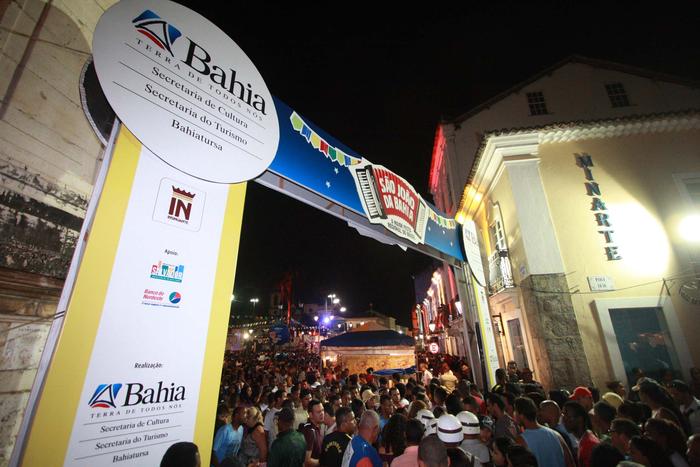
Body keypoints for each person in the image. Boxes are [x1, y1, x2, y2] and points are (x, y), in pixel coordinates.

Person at [513, 397, 573, 467]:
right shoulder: (556, 434)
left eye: (515, 411)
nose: (513, 414)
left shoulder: (521, 440)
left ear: (521, 415)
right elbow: (570, 462)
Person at [562, 401, 600, 467]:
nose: (563, 419)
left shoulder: (589, 444)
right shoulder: (584, 439)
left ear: (580, 419)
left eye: (567, 415)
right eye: (563, 415)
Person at [303, 399, 325, 467]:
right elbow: (307, 461)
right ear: (310, 414)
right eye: (318, 412)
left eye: (322, 410)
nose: (322, 413)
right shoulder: (309, 432)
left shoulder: (317, 427)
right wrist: (325, 461)